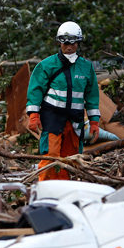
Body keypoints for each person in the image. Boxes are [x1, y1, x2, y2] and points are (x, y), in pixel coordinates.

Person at [26, 21, 115, 181]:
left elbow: (92, 96)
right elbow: (35, 90)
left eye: (73, 41)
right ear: (59, 42)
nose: (69, 46)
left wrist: (94, 122)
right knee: (51, 156)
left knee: (71, 159)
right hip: (52, 117)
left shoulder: (86, 67)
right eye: (65, 41)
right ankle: (45, 191)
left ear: (78, 42)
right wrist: (34, 115)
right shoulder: (47, 65)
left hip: (75, 120)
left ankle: (64, 192)